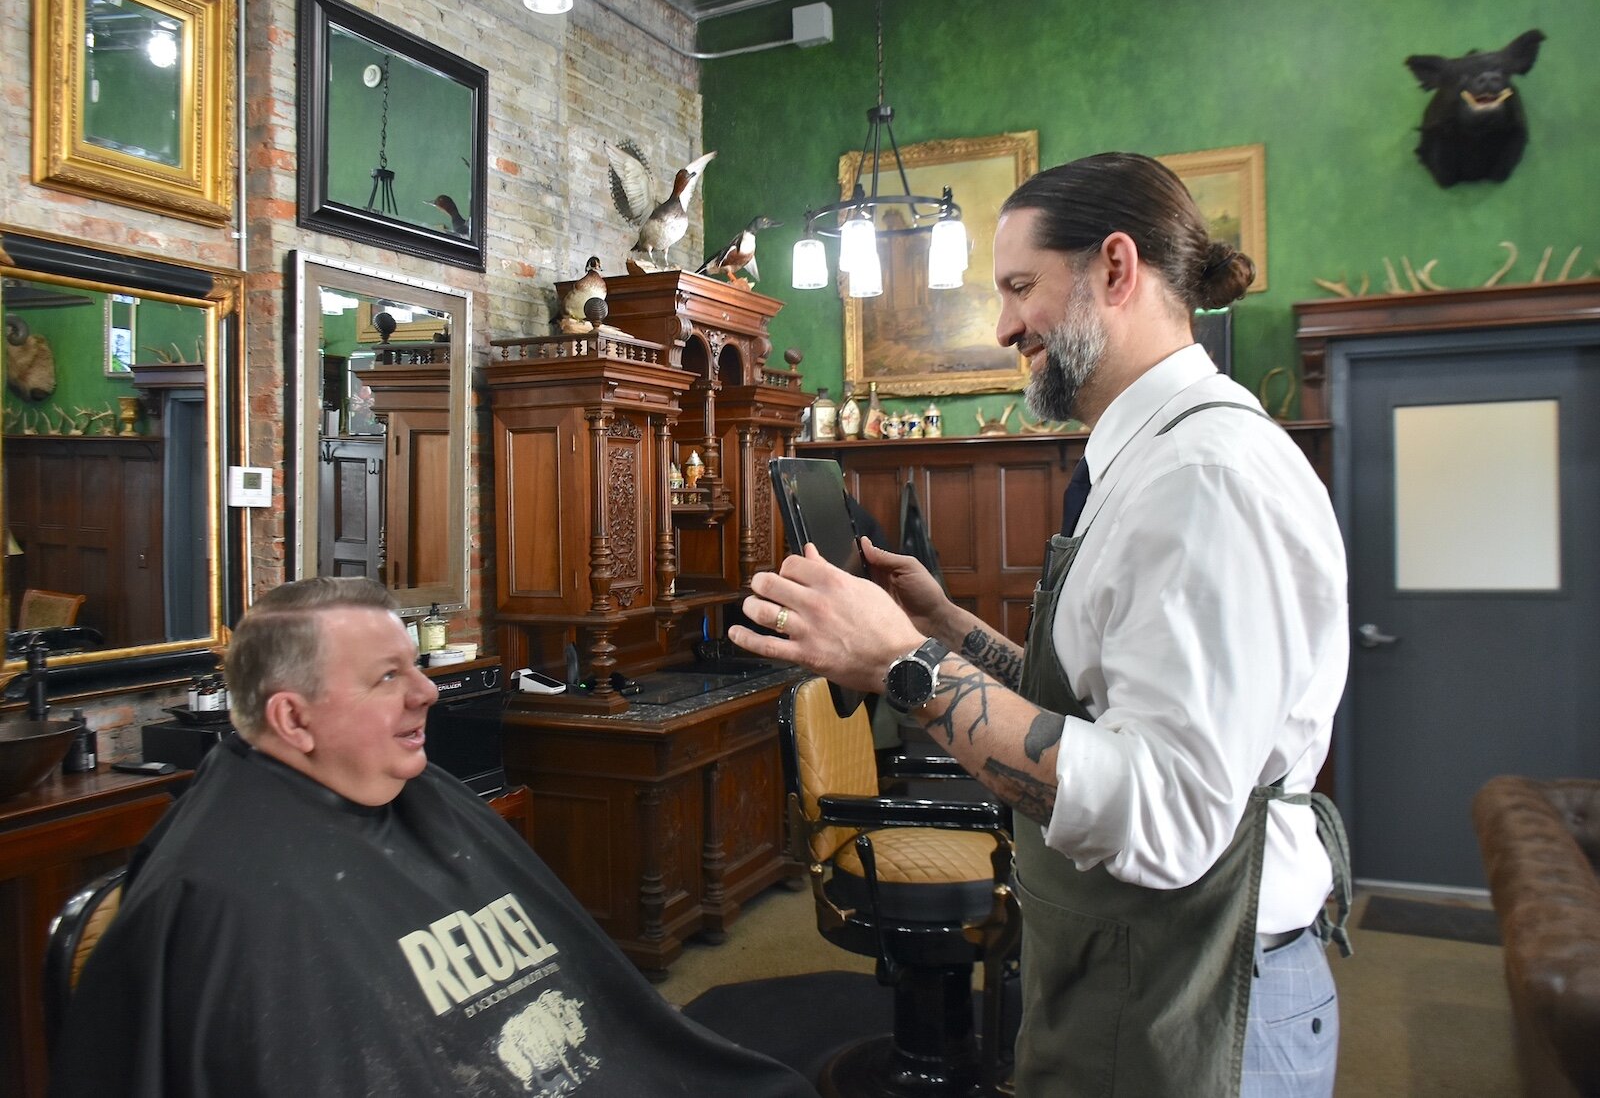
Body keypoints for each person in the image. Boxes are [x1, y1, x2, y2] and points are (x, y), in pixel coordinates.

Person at [731, 152, 1351, 1097]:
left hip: (1200, 1002)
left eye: (1021, 286)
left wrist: (907, 667)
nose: (1004, 324)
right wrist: (942, 623)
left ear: (1115, 267)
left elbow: (1168, 811)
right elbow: (1104, 713)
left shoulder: (1203, 480)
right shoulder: (1149, 462)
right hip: (1132, 976)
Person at [52, 577, 816, 1098]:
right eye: (389, 678)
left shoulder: (424, 796)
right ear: (292, 718)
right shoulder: (219, 898)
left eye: (418, 668)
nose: (427, 694)